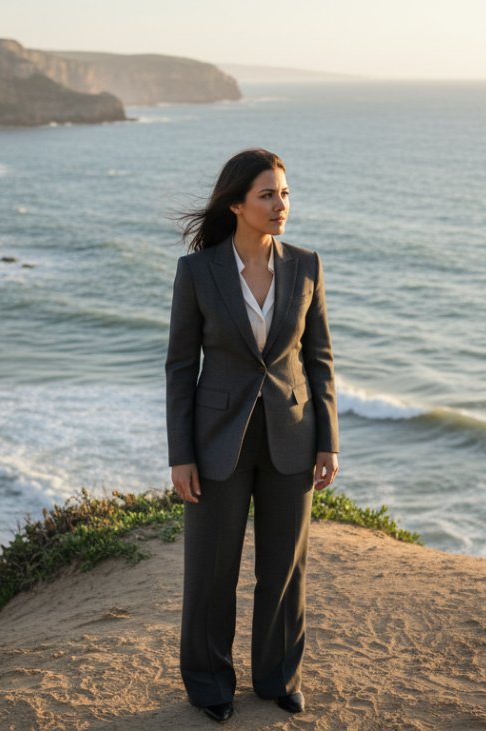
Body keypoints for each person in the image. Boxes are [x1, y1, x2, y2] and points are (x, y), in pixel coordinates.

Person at [166, 148, 340, 723]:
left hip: (292, 434)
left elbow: (319, 360)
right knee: (212, 570)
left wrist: (328, 440)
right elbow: (178, 368)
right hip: (219, 440)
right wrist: (181, 455)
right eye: (267, 195)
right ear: (237, 203)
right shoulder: (198, 272)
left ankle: (278, 677)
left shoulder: (306, 265)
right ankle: (209, 682)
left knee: (285, 570)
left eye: (285, 194)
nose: (279, 205)